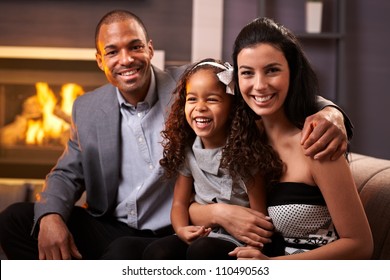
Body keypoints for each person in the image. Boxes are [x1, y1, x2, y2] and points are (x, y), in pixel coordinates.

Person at [0, 10, 352, 260]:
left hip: (176, 231)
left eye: (135, 46)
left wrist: (329, 113)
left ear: (150, 49)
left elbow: (255, 86)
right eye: (112, 51)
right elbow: (66, 173)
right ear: (99, 60)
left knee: (133, 254)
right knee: (18, 220)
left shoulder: (189, 84)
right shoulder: (86, 108)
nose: (126, 59)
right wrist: (50, 217)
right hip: (113, 224)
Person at [227, 17, 373, 259]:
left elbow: (360, 245)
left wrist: (272, 267)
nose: (259, 85)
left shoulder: (317, 141)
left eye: (272, 70)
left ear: (292, 73)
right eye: (247, 73)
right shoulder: (247, 140)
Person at [138, 58, 283, 259]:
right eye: (192, 99)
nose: (200, 107)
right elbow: (179, 203)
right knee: (157, 252)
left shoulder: (245, 153)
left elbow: (260, 214)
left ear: (233, 108)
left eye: (212, 99)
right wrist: (181, 229)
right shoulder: (189, 152)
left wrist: (255, 248)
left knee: (202, 251)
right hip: (201, 231)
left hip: (236, 238)